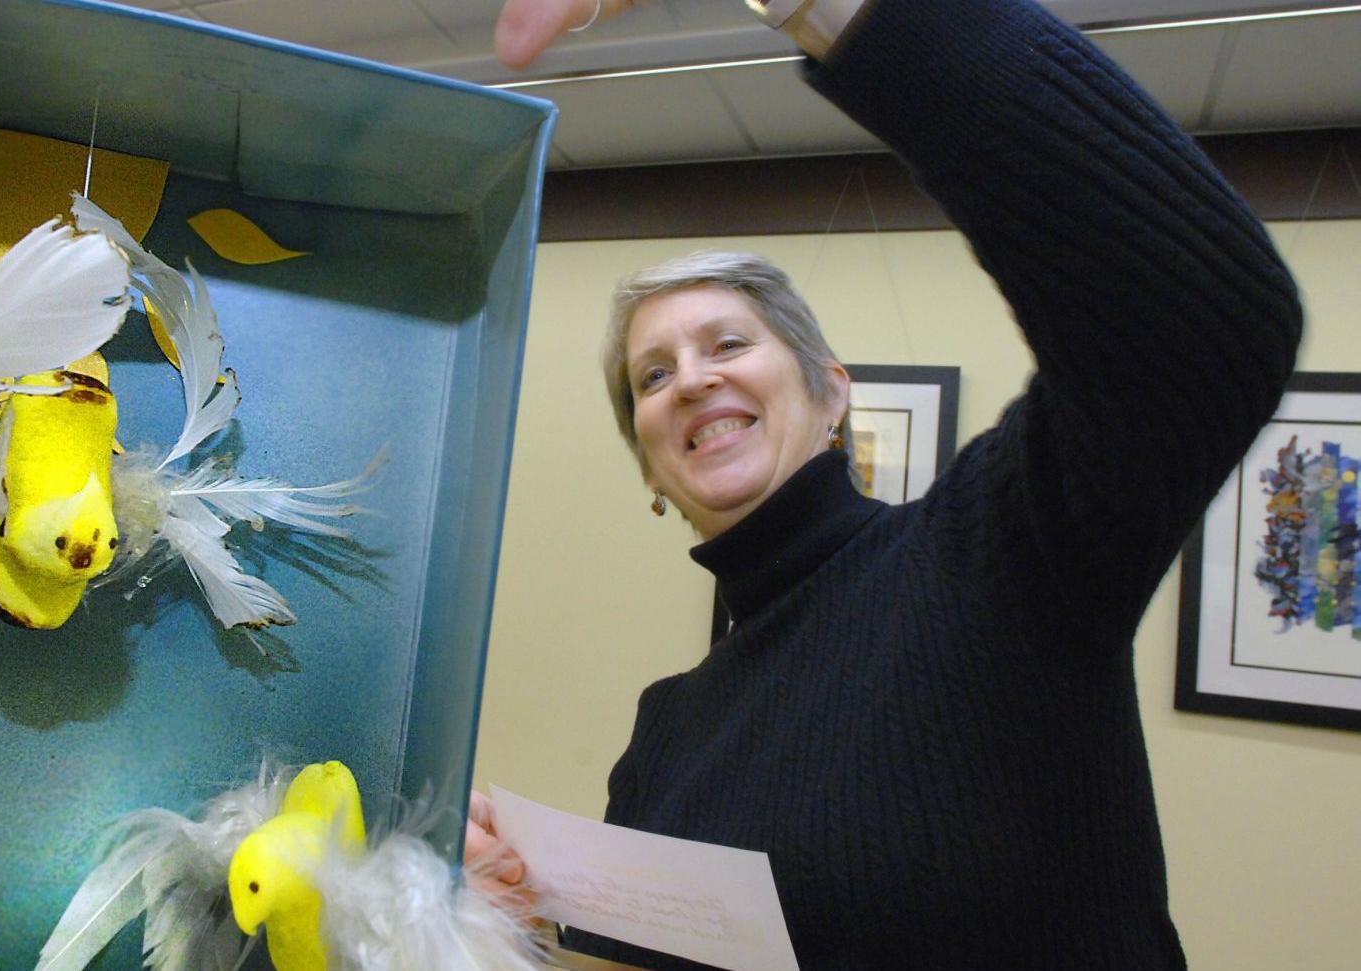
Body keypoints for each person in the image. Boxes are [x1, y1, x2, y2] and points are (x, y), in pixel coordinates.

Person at [466, 0, 1305, 969]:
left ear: (831, 392)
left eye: (727, 344)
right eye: (652, 376)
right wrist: (520, 926)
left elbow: (1195, 322)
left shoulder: (990, 553)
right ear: (650, 466)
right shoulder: (670, 729)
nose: (690, 379)